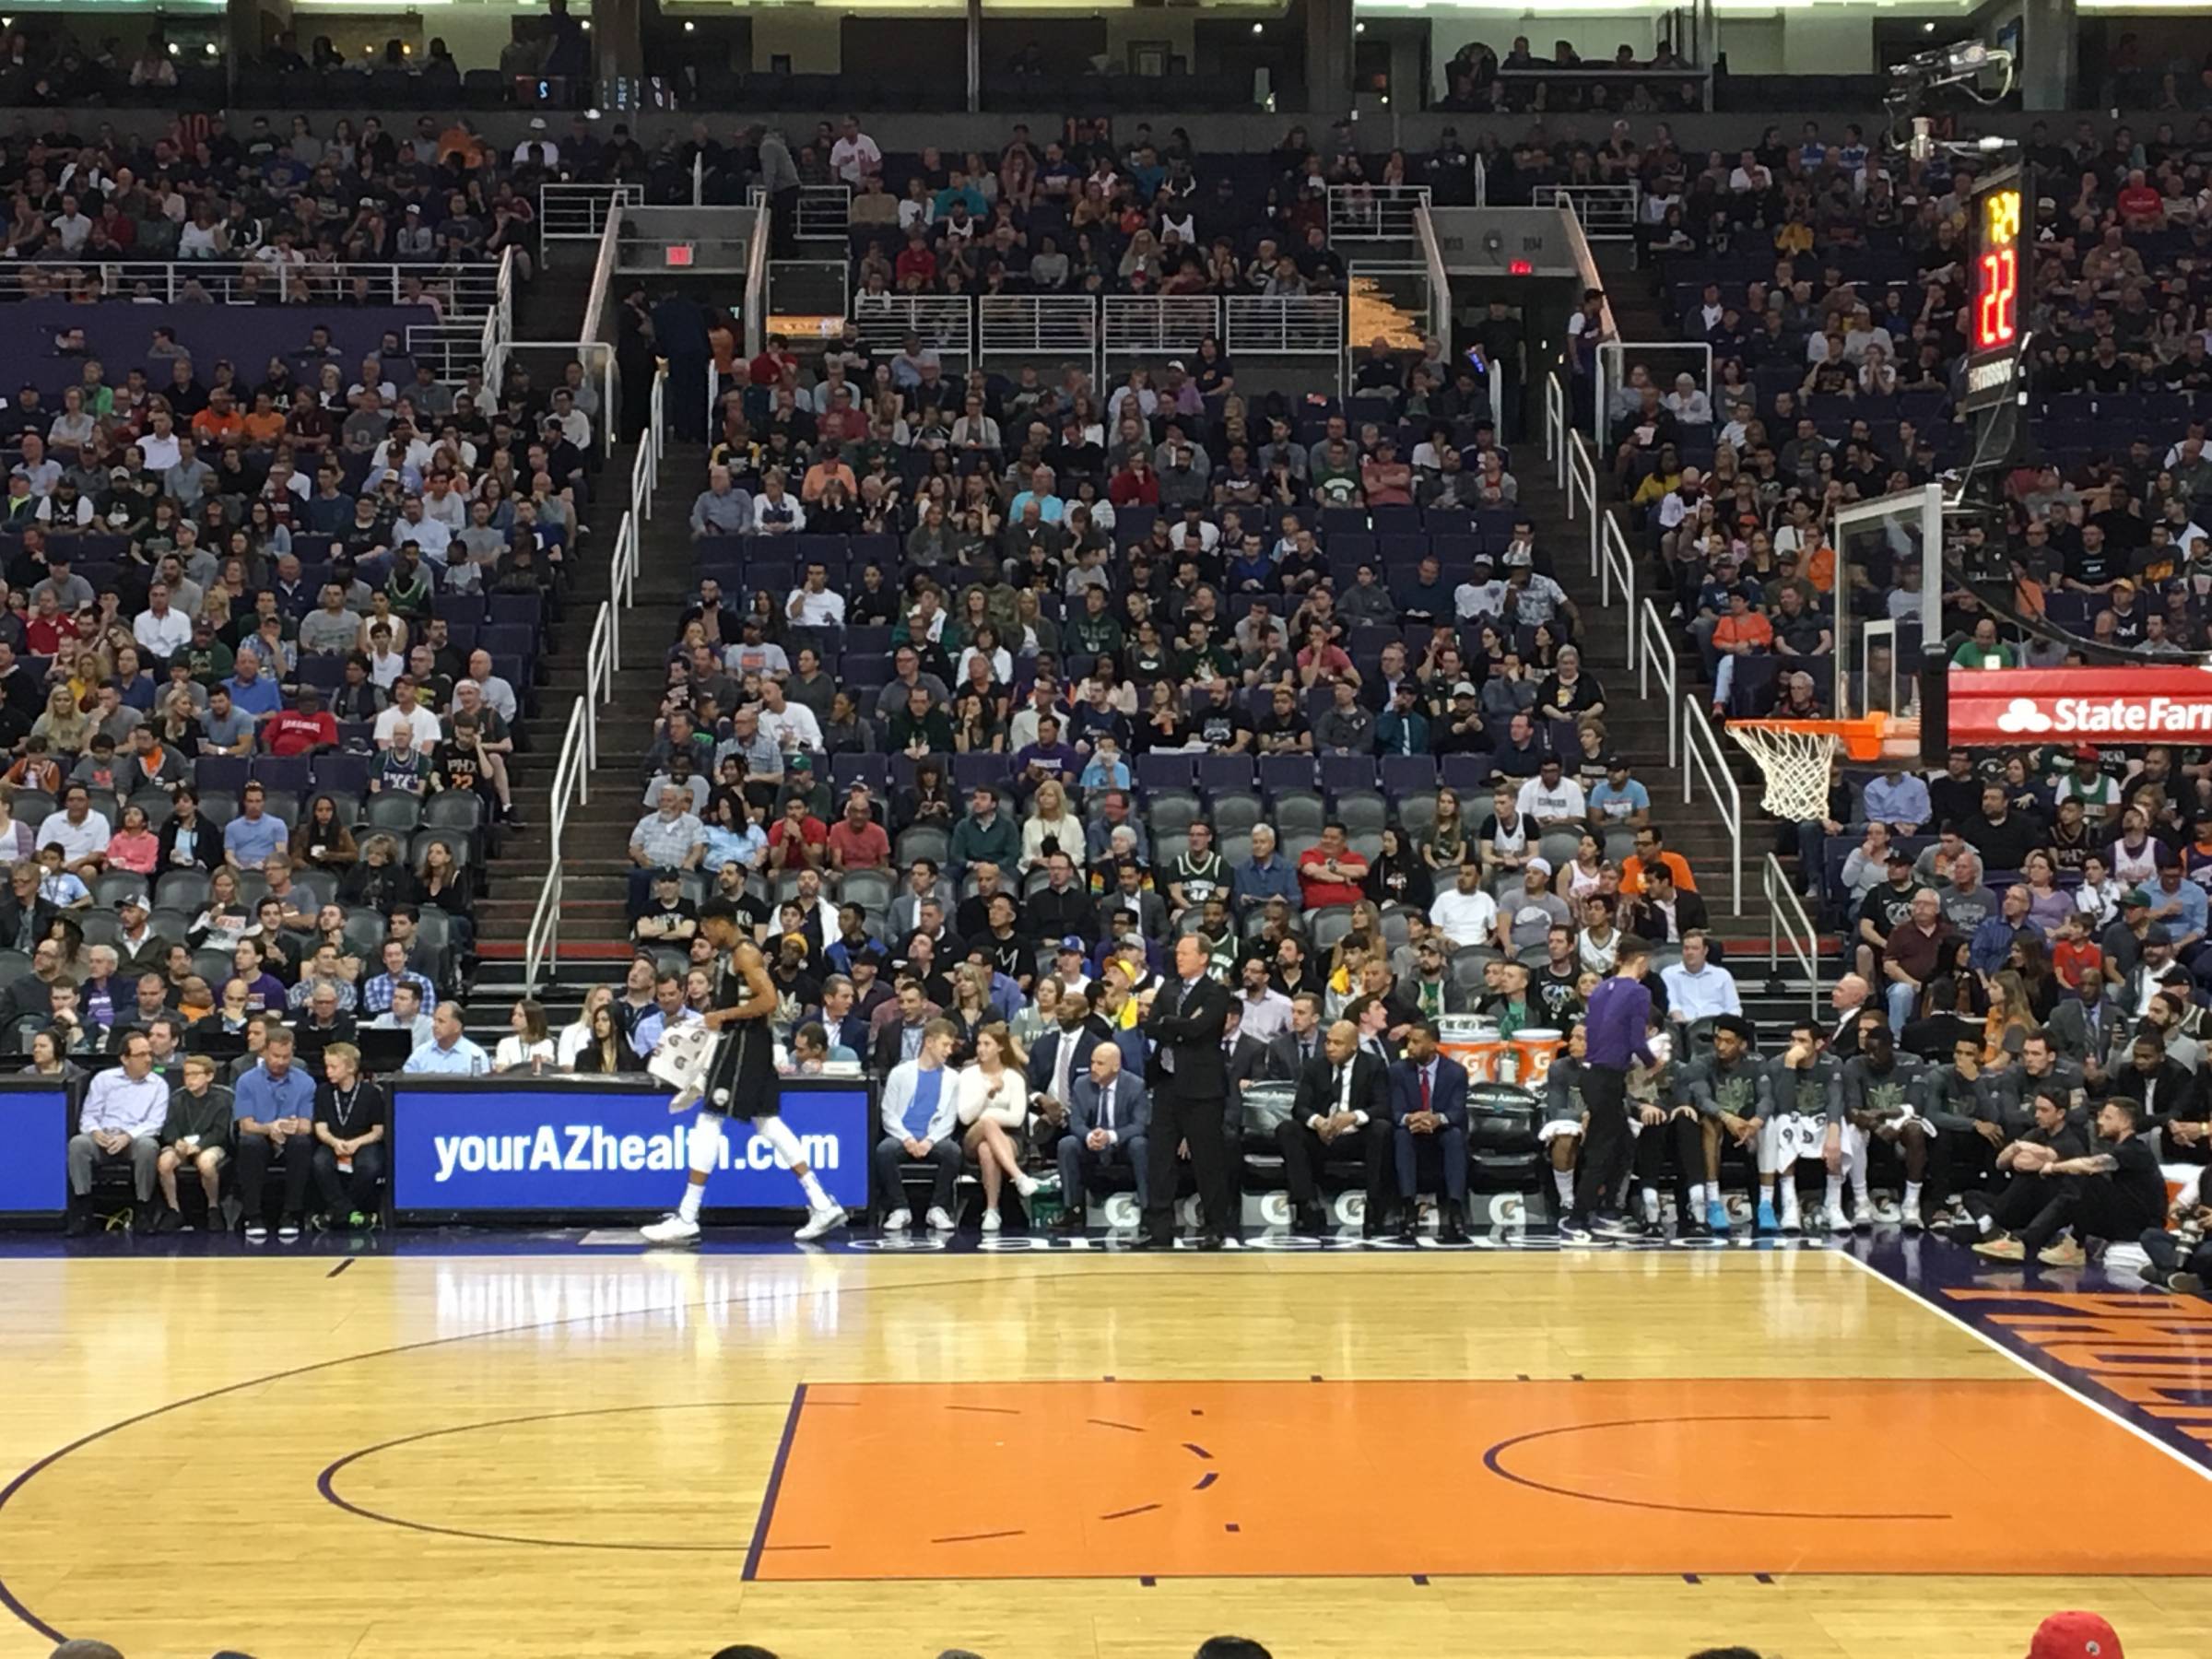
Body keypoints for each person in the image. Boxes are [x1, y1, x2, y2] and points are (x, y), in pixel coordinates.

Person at [642, 897, 848, 1244]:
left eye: (707, 926)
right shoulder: (735, 953)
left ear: (722, 922)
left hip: (742, 1045)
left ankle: (688, 1216)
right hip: (750, 1044)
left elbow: (769, 1001)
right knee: (768, 1123)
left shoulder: (744, 953)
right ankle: (821, 1201)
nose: (705, 933)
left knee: (709, 1119)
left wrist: (722, 1017)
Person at [1972, 1097, 2167, 1266]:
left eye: (2107, 1117)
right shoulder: (2124, 1148)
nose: (2099, 1122)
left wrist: (2053, 1166)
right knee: (2069, 1182)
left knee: (2082, 1178)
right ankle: (2072, 1244)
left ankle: (2025, 1241)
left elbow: (2092, 1165)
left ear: (2125, 1122)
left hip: (2140, 1226)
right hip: (2124, 1217)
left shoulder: (2135, 1150)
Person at [1134, 933, 1234, 1248]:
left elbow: (1200, 1029)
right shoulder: (1169, 987)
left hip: (1202, 1089)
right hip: (1167, 1083)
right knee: (1159, 1159)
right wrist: (1176, 1024)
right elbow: (1149, 1025)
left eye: (1186, 953)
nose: (1179, 958)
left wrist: (1170, 1024)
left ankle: (1216, 1226)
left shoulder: (1216, 992)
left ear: (1203, 957)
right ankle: (1159, 1229)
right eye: (1177, 953)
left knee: (1208, 1161)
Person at [1562, 937, 1656, 1241]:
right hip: (1609, 1078)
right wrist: (1654, 1064)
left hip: (1593, 1075)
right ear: (1640, 961)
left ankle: (1608, 1208)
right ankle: (1579, 1217)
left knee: (1624, 1143)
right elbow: (1636, 1042)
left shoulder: (1601, 988)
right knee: (1603, 1150)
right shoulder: (1640, 992)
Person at [1278, 1017, 1392, 1237]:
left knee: (1381, 1129)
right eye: (1328, 1042)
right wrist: (1317, 1121)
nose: (1330, 1048)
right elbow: (1300, 1107)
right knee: (1288, 1128)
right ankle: (1307, 1204)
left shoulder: (1373, 1065)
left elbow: (1383, 1107)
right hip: (1322, 1136)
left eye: (1337, 1043)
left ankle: (1375, 1207)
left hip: (1356, 1137)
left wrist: (1354, 1117)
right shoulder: (1314, 1066)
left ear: (1353, 1045)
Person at [65, 1029, 169, 1232]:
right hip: (104, 1137)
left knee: (149, 1146)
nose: (148, 1059)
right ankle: (83, 1211)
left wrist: (128, 1137)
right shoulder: (104, 1079)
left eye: (149, 1054)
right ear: (124, 1058)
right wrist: (95, 1132)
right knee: (78, 1144)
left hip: (135, 1139)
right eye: (141, 1055)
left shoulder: (158, 1085)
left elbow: (155, 1123)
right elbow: (89, 1115)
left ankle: (144, 1211)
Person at [874, 1016, 962, 1232]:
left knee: (953, 1152)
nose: (948, 1051)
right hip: (903, 1136)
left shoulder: (953, 1078)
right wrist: (906, 1138)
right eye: (945, 1045)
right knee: (884, 1151)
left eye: (951, 1046)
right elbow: (888, 1112)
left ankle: (938, 1208)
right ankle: (899, 1208)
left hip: (934, 1137)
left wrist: (929, 1141)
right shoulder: (900, 1072)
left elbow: (949, 1118)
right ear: (929, 1042)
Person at [231, 1025, 320, 1240]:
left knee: (301, 1143)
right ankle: (253, 1215)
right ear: (264, 1052)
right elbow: (245, 1124)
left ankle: (291, 1213)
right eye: (275, 1056)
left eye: (286, 1056)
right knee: (250, 1142)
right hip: (260, 1135)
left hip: (290, 1137)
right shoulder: (247, 1080)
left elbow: (307, 1125)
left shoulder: (305, 1081)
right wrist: (270, 1128)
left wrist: (288, 1127)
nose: (280, 1062)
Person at [1388, 1019, 1470, 1241]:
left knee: (1454, 1136)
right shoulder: (1397, 1071)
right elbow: (1395, 1110)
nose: (1410, 1047)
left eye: (1416, 1042)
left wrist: (1436, 1119)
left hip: (1441, 1130)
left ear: (1433, 1045)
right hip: (1412, 1129)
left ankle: (1455, 1210)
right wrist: (1410, 1118)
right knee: (1401, 1135)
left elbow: (1457, 1111)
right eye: (1408, 1042)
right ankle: (1408, 1208)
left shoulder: (1456, 1072)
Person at [1059, 1038, 1150, 1231]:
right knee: (1067, 1144)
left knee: (1140, 1144)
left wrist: (1111, 1136)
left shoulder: (1135, 1085)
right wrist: (1089, 1136)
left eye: (1100, 1064)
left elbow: (1139, 1125)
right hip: (1091, 1145)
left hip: (1122, 1145)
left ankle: (1149, 1212)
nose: (1093, 1067)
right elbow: (1075, 1121)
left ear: (1116, 1066)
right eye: (1092, 1062)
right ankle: (1072, 1211)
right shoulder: (1081, 1084)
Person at [955, 1022, 1038, 1232]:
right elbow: (965, 1117)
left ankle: (992, 1211)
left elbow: (1017, 1119)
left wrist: (988, 1115)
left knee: (987, 1149)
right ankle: (1018, 1176)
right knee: (986, 1125)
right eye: (979, 1044)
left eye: (987, 1044)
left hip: (1010, 1138)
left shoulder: (1014, 1077)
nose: (981, 1049)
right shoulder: (968, 1075)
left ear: (1000, 1047)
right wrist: (987, 1092)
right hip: (972, 1134)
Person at [311, 1041, 388, 1229]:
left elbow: (378, 1131)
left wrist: (356, 1143)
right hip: (333, 1141)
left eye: (333, 1067)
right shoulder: (323, 1092)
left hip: (363, 1141)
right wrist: (334, 1142)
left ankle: (337, 1213)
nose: (328, 1071)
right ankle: (350, 1214)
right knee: (320, 1163)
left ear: (351, 1068)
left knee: (369, 1165)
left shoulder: (371, 1093)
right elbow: (320, 1128)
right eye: (327, 1066)